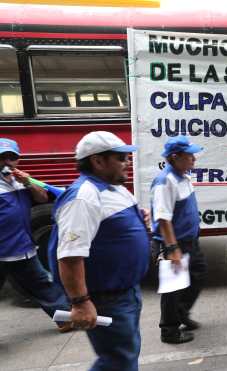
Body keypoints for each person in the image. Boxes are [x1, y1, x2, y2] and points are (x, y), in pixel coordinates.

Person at [48, 131, 150, 371]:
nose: (127, 163)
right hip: (107, 298)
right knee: (118, 360)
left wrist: (137, 219)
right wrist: (81, 303)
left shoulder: (114, 188)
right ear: (98, 161)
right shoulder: (84, 196)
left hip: (126, 292)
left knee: (124, 355)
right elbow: (70, 256)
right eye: (121, 158)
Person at [0, 138, 71, 332]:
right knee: (42, 284)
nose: (7, 162)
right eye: (2, 157)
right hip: (4, 248)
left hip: (21, 247)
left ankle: (65, 319)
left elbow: (41, 197)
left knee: (43, 285)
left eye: (11, 158)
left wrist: (29, 182)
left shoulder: (19, 182)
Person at [151, 135, 208, 344]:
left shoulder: (183, 177)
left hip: (189, 241)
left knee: (199, 274)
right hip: (173, 243)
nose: (194, 159)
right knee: (172, 289)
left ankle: (181, 312)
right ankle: (169, 331)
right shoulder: (165, 181)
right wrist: (172, 247)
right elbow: (163, 219)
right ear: (175, 157)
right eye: (190, 155)